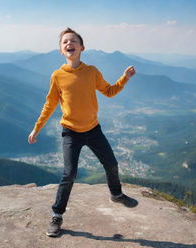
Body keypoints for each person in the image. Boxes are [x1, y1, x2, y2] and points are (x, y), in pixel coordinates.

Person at [28, 27, 136, 237]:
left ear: (81, 47)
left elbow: (109, 91)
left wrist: (125, 78)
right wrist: (36, 128)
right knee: (69, 174)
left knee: (111, 163)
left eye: (73, 41)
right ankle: (57, 216)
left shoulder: (92, 71)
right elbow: (49, 105)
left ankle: (116, 194)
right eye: (65, 42)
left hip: (94, 129)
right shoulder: (58, 76)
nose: (69, 44)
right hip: (70, 132)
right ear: (61, 50)